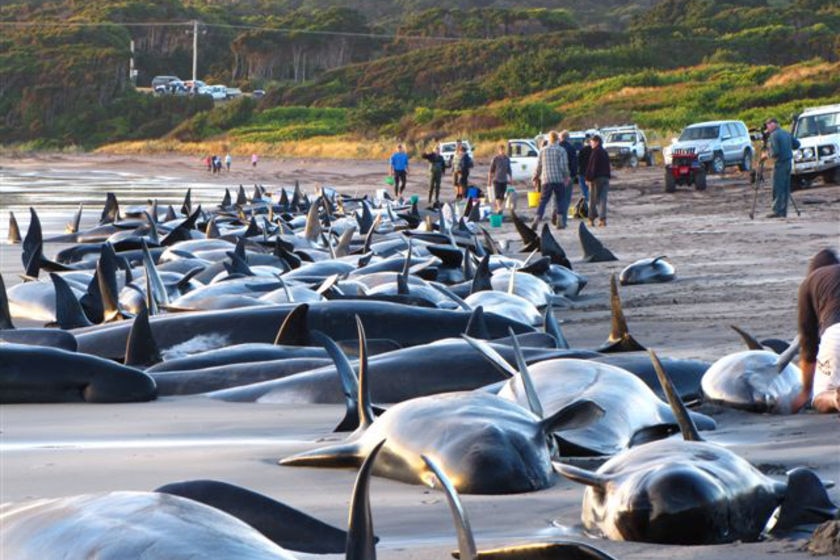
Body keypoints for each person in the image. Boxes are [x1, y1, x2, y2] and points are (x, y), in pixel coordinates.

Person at [792, 249, 840, 413]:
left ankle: (834, 398)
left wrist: (806, 392)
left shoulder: (809, 283)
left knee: (820, 397)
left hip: (836, 331)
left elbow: (808, 347)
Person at [530, 130, 570, 229]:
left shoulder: (542, 150)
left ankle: (537, 219)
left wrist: (535, 177)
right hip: (558, 179)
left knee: (543, 201)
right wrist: (567, 176)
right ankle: (560, 220)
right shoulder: (561, 150)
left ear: (549, 139)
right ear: (557, 139)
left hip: (546, 179)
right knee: (561, 199)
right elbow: (563, 166)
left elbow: (539, 166)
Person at [763, 117, 795, 219]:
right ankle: (783, 211)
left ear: (773, 124)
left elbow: (775, 152)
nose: (767, 128)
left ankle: (777, 210)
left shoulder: (774, 135)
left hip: (780, 163)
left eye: (768, 125)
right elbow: (797, 144)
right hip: (788, 163)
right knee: (786, 187)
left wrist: (767, 154)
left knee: (777, 187)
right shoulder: (786, 133)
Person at [585, 134, 610, 227]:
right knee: (603, 199)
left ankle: (591, 220)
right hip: (605, 178)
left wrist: (588, 178)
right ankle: (602, 220)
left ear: (597, 142)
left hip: (596, 179)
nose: (590, 143)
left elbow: (592, 167)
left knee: (593, 200)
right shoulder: (604, 152)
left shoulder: (595, 152)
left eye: (592, 141)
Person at [557, 130, 579, 228]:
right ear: (568, 138)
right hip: (568, 177)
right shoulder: (571, 148)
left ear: (561, 138)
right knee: (566, 199)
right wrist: (573, 176)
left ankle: (556, 217)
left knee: (557, 198)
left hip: (556, 177)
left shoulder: (556, 148)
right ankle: (563, 220)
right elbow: (574, 163)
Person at [488, 144, 512, 214]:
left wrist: (511, 178)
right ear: (499, 151)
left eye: (503, 150)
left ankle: (498, 207)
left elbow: (509, 170)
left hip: (504, 180)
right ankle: (499, 208)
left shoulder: (507, 159)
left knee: (502, 196)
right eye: (501, 150)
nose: (502, 151)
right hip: (497, 179)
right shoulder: (495, 159)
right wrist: (489, 180)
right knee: (497, 195)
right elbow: (491, 170)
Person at [577, 134, 592, 202]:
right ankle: (591, 203)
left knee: (584, 189)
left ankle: (587, 203)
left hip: (582, 172)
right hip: (592, 173)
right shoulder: (594, 150)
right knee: (591, 189)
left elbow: (578, 162)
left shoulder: (582, 150)